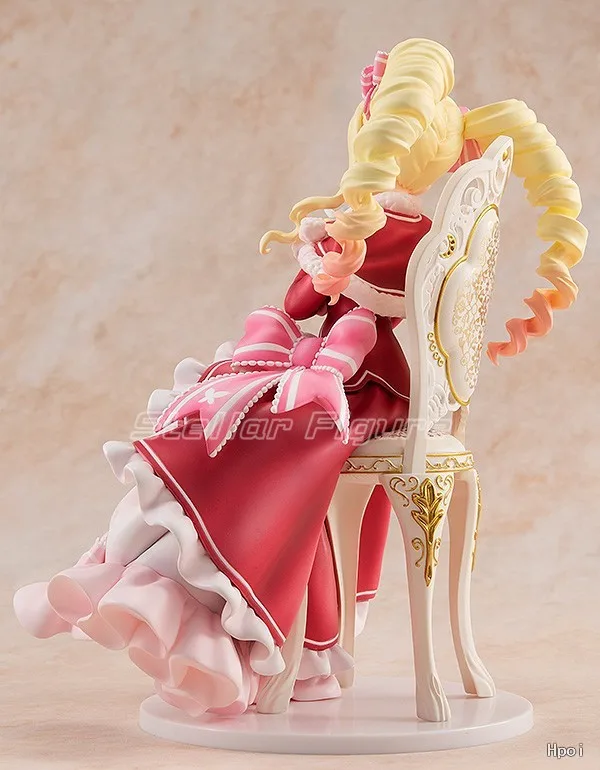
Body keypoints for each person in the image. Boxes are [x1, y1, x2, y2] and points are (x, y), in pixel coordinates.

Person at [14, 38, 586, 717]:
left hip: (349, 385)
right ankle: (198, 608)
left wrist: (320, 257)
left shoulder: (364, 226)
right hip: (388, 387)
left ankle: (137, 578)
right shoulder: (435, 229)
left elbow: (297, 304)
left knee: (233, 428)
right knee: (241, 418)